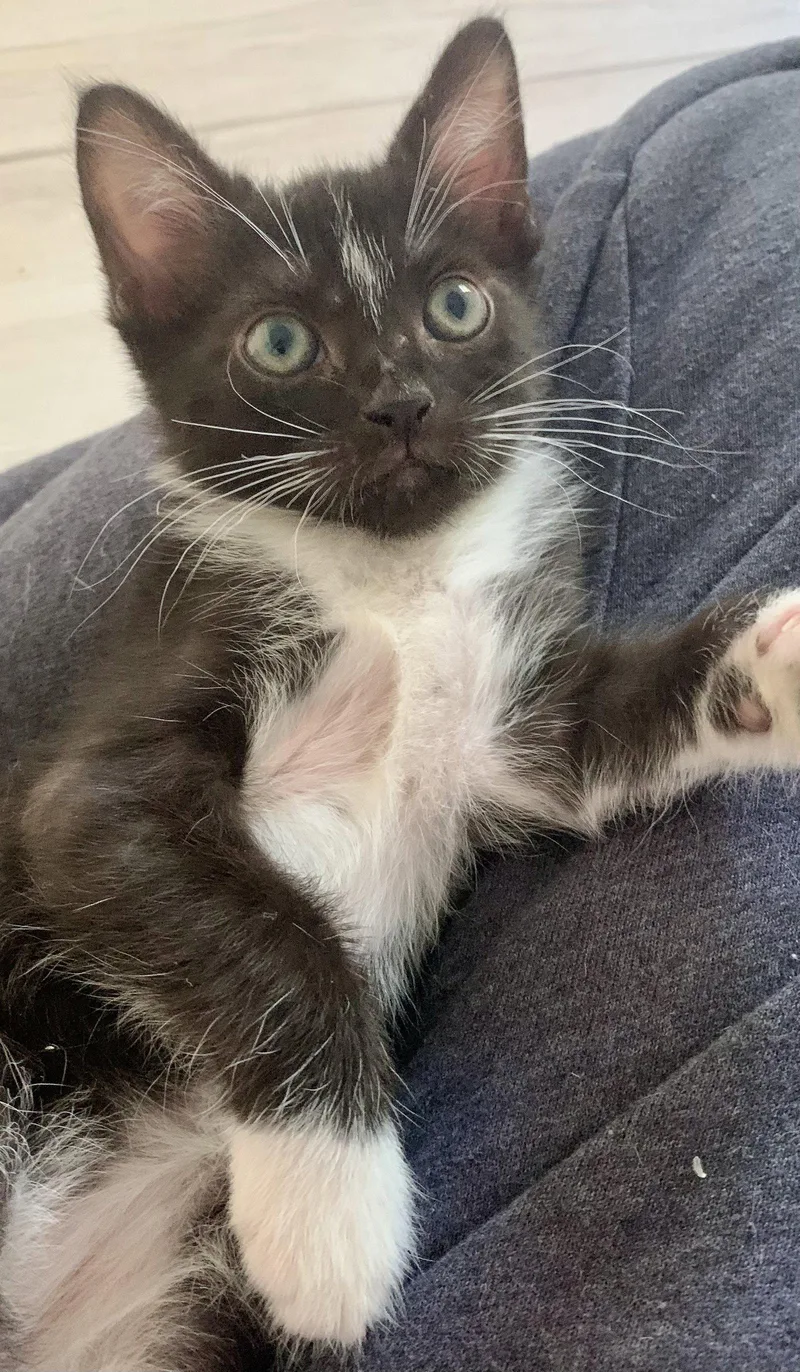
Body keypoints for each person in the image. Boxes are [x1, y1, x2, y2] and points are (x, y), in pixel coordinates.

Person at [1, 41, 799, 1371]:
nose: (392, 390)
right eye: (281, 342)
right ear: (160, 313)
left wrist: (735, 679)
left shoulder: (508, 577)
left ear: (511, 244)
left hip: (172, 1260)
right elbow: (97, 817)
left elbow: (559, 734)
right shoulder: (241, 572)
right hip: (56, 1068)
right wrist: (305, 1062)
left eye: (453, 308)